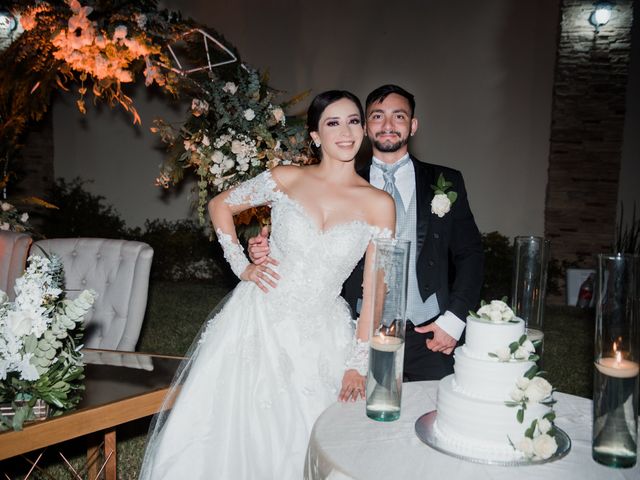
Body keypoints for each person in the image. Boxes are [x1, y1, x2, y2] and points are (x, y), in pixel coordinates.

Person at [139, 90, 395, 479]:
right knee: (232, 430)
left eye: (354, 121)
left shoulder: (379, 203)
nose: (346, 132)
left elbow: (377, 288)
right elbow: (219, 205)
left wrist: (359, 363)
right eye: (333, 122)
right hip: (258, 318)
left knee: (314, 437)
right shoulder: (286, 178)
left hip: (323, 330)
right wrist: (242, 264)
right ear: (315, 136)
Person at [249, 85, 483, 381]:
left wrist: (453, 320)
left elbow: (470, 254)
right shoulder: (339, 183)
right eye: (376, 116)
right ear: (364, 127)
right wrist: (266, 249)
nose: (387, 125)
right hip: (355, 331)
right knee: (356, 421)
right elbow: (306, 238)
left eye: (398, 116)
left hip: (431, 334)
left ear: (413, 126)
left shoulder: (446, 180)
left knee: (434, 418)